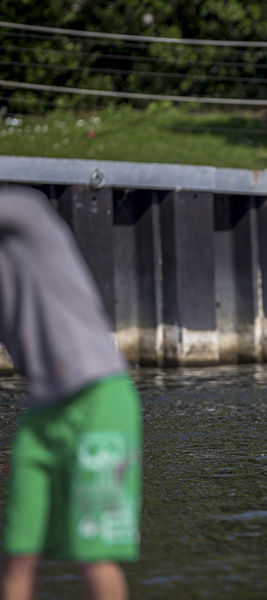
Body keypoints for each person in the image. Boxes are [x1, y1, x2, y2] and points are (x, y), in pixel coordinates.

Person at [0, 185, 141, 600]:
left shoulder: (28, 214)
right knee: (17, 551)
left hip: (99, 395)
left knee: (93, 553)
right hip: (42, 409)